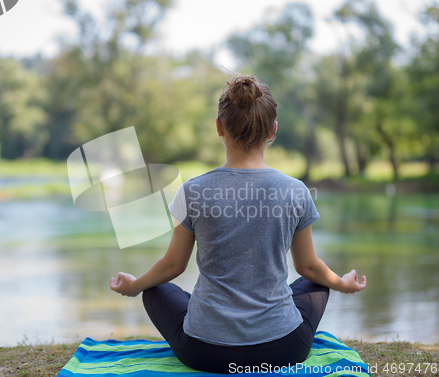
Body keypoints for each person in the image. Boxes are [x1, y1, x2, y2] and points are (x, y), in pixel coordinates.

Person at [110, 75, 366, 374]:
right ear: (273, 130)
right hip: (284, 348)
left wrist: (134, 285)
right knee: (317, 281)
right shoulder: (296, 190)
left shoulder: (193, 190)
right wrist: (342, 283)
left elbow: (172, 266)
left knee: (154, 289)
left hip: (204, 352)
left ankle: (210, 318)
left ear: (219, 126)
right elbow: (307, 267)